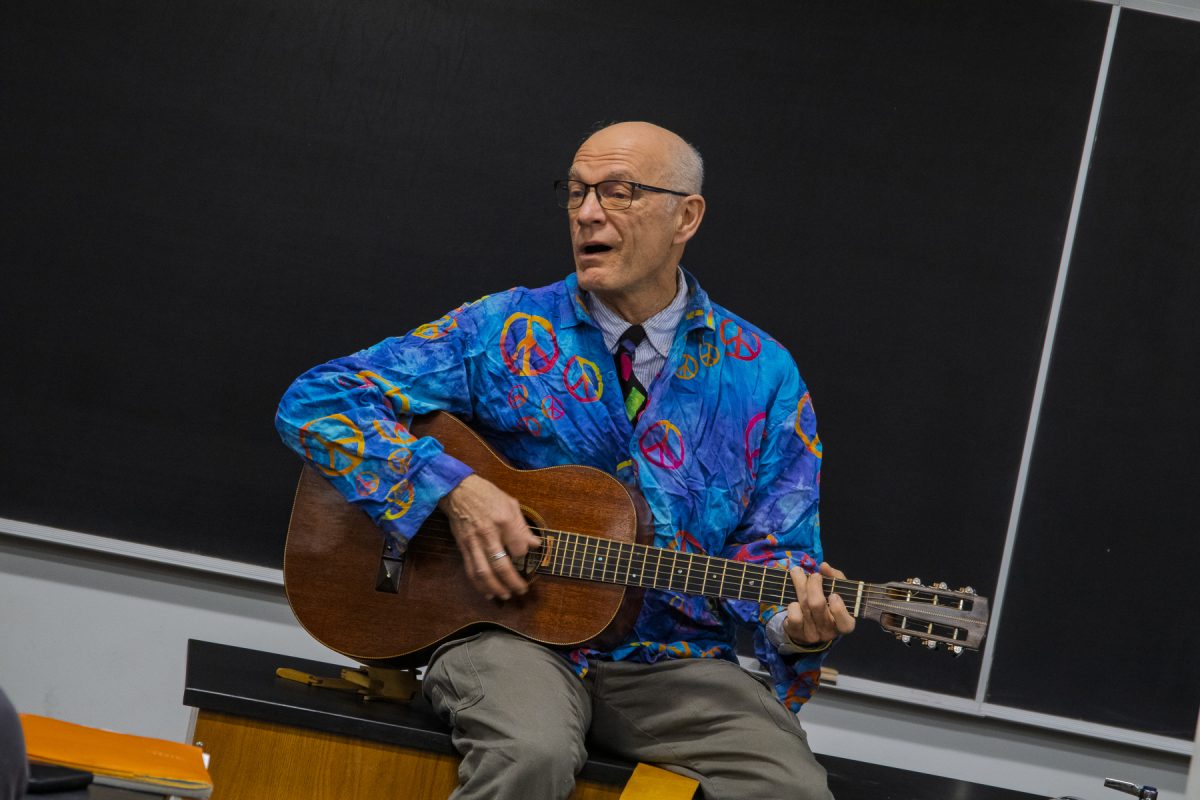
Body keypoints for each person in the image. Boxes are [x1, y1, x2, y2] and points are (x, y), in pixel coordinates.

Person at [276, 121, 856, 799]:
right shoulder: (506, 329)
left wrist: (796, 626)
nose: (586, 213)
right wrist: (454, 493)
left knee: (793, 789)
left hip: (671, 664)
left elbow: (772, 553)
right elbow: (316, 400)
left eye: (618, 192)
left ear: (686, 216)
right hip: (508, 636)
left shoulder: (765, 376)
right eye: (576, 193)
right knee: (531, 754)